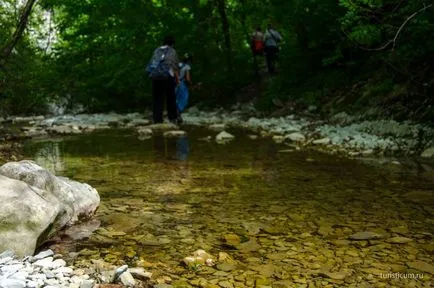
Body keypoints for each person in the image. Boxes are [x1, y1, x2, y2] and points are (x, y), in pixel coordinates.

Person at [147, 36, 179, 124]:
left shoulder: (156, 50)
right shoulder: (172, 51)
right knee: (170, 98)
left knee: (157, 99)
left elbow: (151, 64)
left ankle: (157, 120)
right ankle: (172, 118)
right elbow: (175, 67)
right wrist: (177, 80)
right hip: (168, 77)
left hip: (155, 78)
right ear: (172, 44)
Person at [175, 53, 193, 124]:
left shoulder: (178, 64)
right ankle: (178, 114)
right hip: (181, 84)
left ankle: (175, 114)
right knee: (184, 99)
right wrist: (191, 85)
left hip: (174, 84)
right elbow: (188, 79)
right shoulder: (187, 66)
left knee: (176, 99)